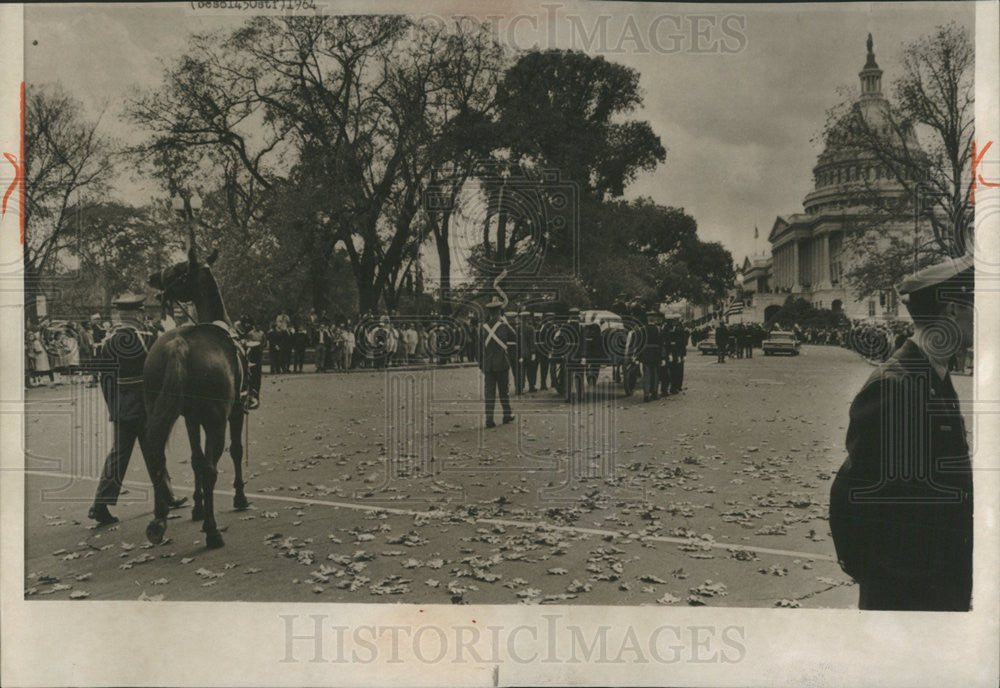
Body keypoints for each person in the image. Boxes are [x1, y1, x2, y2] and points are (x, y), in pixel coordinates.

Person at [830, 254, 974, 611]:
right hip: (909, 591)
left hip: (938, 579)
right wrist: (882, 577)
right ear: (954, 310)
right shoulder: (897, 384)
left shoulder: (930, 373)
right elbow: (853, 491)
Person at [83, 295, 186, 525]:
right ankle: (165, 496)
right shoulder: (148, 338)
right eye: (141, 312)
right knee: (153, 451)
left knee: (120, 454)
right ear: (138, 313)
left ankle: (101, 503)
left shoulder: (108, 341)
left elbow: (104, 378)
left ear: (121, 314)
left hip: (122, 405)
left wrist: (114, 406)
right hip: (146, 404)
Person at [478, 299, 515, 428]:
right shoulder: (504, 326)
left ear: (489, 312)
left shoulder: (483, 328)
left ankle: (489, 420)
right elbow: (514, 336)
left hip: (488, 366)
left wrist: (481, 366)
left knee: (489, 393)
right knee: (504, 391)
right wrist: (506, 322)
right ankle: (506, 415)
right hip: (502, 364)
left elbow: (479, 349)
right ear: (499, 312)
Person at [638, 310, 661, 402]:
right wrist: (663, 357)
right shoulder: (658, 329)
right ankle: (654, 393)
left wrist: (639, 356)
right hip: (655, 354)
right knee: (655, 374)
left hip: (646, 354)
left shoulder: (642, 329)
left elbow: (639, 344)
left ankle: (646, 394)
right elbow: (661, 343)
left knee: (647, 374)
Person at [516, 311, 537, 394]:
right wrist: (533, 352)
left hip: (519, 353)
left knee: (521, 372)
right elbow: (532, 342)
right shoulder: (530, 328)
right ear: (528, 318)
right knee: (530, 371)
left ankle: (520, 388)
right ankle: (531, 387)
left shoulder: (517, 328)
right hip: (528, 353)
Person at [668, 320, 688, 394]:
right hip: (677, 353)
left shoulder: (673, 330)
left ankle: (675, 386)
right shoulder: (680, 330)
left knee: (674, 371)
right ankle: (676, 386)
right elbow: (683, 343)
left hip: (675, 353)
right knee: (677, 371)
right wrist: (683, 354)